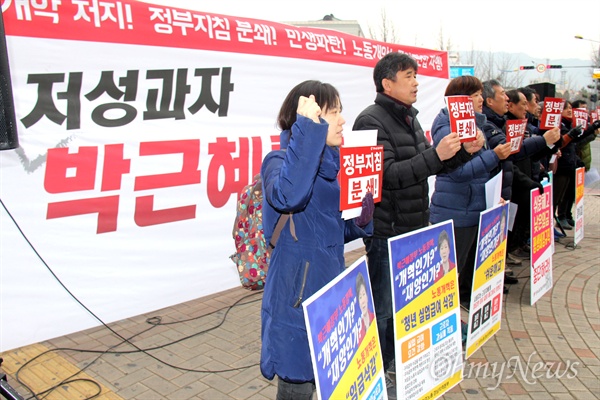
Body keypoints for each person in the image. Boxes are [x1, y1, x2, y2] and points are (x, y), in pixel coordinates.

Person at [352, 53, 482, 397]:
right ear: (387, 83)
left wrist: (464, 152)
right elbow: (387, 177)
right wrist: (435, 154)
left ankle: (397, 365)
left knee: (405, 306)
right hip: (386, 232)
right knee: (382, 309)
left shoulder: (409, 118)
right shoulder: (370, 121)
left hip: (414, 227)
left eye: (416, 76)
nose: (416, 82)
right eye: (408, 76)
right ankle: (376, 373)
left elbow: (432, 165)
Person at [260, 80, 374, 400]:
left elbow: (329, 234)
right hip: (297, 300)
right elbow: (290, 196)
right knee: (297, 385)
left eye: (341, 111)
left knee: (325, 382)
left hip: (330, 295)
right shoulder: (278, 162)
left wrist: (360, 222)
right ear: (308, 117)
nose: (342, 120)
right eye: (333, 112)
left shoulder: (331, 172)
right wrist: (307, 130)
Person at [428, 75, 511, 307]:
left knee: (466, 270)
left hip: (474, 209)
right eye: (474, 95)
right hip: (455, 211)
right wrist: (494, 155)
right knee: (450, 274)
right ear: (460, 100)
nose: (480, 99)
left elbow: (480, 172)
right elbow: (459, 172)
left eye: (480, 94)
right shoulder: (447, 127)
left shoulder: (478, 125)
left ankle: (463, 307)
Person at [356, 272, 375, 343]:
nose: (363, 301)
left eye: (364, 294)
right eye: (360, 297)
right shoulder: (358, 332)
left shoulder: (374, 319)